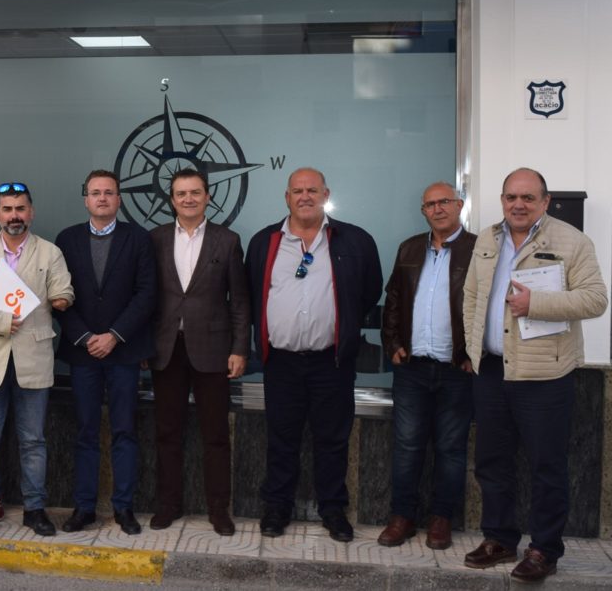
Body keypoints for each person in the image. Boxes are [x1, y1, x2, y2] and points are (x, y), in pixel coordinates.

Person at [462, 168, 607, 583]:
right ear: (502, 200)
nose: (518, 205)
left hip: (545, 376)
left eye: (528, 197)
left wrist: (536, 304)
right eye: (511, 197)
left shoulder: (572, 241)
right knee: (492, 462)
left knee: (547, 466)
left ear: (545, 201)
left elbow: (596, 299)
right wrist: (473, 348)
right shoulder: (487, 239)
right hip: (492, 371)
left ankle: (545, 549)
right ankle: (499, 538)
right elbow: (472, 295)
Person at [245, 167, 382, 542]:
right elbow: (251, 292)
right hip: (281, 362)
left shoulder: (355, 240)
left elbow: (369, 291)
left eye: (312, 190)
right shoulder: (264, 242)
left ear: (326, 194)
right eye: (297, 191)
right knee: (281, 438)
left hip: (331, 362)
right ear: (286, 197)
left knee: (332, 440)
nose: (305, 196)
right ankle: (277, 507)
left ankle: (333, 509)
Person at [0, 182, 74, 539]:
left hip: (33, 360)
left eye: (20, 208)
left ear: (31, 213)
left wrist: (62, 299)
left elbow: (64, 290)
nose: (14, 215)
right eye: (7, 209)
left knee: (33, 441)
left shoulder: (50, 252)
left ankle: (35, 509)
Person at [55, 170, 156, 535]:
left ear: (119, 199)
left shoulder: (139, 238)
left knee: (124, 431)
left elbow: (146, 293)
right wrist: (85, 337)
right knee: (85, 432)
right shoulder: (66, 239)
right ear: (86, 199)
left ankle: (124, 508)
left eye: (108, 192)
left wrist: (114, 336)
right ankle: (84, 508)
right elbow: (58, 294)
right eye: (95, 192)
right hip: (83, 353)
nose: (102, 198)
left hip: (123, 352)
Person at [149, 168, 249, 536]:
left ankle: (219, 510)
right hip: (166, 349)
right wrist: (144, 344)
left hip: (213, 350)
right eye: (181, 193)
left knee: (216, 436)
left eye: (195, 192)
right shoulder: (155, 239)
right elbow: (146, 296)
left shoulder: (228, 240)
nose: (188, 199)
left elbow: (240, 301)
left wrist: (240, 348)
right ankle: (168, 505)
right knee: (167, 433)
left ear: (207, 197)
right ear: (172, 199)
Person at [377, 182, 476, 550]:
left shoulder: (479, 250)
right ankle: (402, 517)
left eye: (444, 202)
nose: (437, 209)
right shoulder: (409, 248)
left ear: (459, 205)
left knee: (451, 448)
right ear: (424, 211)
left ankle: (441, 519)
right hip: (412, 368)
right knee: (406, 446)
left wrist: (474, 353)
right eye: (430, 204)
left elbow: (489, 306)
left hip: (456, 369)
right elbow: (393, 301)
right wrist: (393, 344)